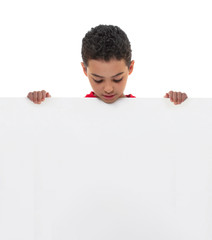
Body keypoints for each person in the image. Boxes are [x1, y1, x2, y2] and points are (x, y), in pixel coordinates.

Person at [27, 24, 188, 105]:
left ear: (130, 68)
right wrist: (40, 105)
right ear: (84, 70)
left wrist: (175, 106)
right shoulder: (78, 110)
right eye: (98, 80)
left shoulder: (140, 110)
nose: (109, 88)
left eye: (117, 79)